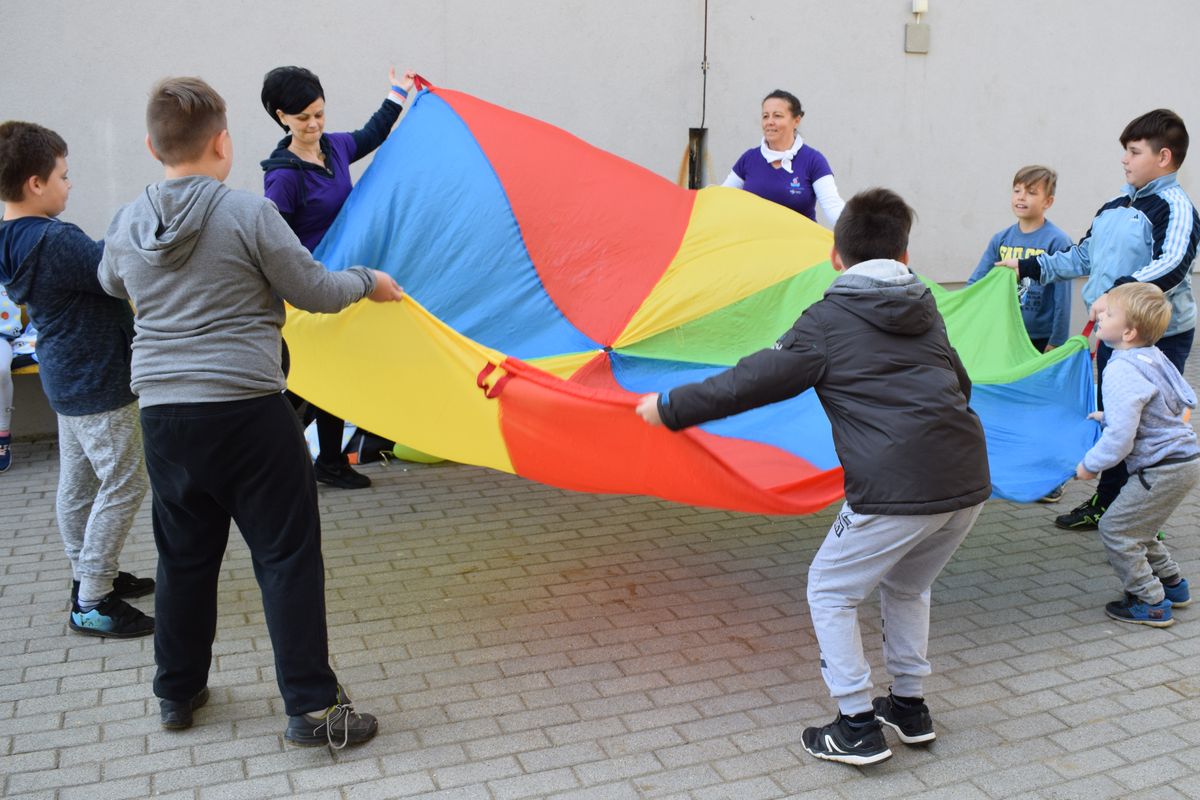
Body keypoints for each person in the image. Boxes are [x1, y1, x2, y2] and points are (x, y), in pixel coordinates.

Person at [97, 77, 405, 746]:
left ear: (151, 146)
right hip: (247, 412)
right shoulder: (248, 214)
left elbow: (110, 279)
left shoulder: (126, 222)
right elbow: (315, 290)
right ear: (223, 143)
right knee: (286, 557)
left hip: (164, 418)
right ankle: (314, 709)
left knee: (183, 558)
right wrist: (368, 282)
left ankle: (176, 691)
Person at [635, 188, 990, 765]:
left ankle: (856, 725)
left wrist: (671, 407)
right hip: (966, 479)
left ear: (835, 256)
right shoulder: (925, 309)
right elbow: (961, 385)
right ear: (905, 256)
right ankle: (908, 706)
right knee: (906, 586)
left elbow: (753, 380)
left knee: (830, 589)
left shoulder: (828, 320)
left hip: (894, 488)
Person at [997, 109, 1199, 532]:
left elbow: (1173, 264)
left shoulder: (1176, 207)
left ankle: (1143, 517)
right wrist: (1028, 268)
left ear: (1163, 157)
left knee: (1148, 428)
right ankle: (1108, 504)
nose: (1125, 159)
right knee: (1115, 417)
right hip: (1114, 336)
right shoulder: (1115, 205)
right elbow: (1082, 256)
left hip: (1158, 339)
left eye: (1134, 151)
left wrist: (1118, 294)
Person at [0, 121, 154, 636]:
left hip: (67, 377)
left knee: (80, 484)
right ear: (35, 183)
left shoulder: (10, 236)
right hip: (99, 380)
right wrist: (136, 221)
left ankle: (89, 573)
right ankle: (92, 601)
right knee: (126, 483)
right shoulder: (55, 239)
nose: (69, 184)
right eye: (63, 176)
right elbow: (115, 272)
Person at [260, 64, 413, 490]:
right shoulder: (283, 176)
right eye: (303, 117)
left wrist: (398, 94)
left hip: (343, 285)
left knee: (334, 374)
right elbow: (272, 240)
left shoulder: (335, 149)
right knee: (305, 383)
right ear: (281, 117)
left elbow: (372, 133)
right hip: (308, 293)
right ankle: (269, 465)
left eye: (319, 114)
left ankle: (329, 461)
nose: (314, 124)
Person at [1074, 283, 1198, 626]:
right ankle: (1173, 585)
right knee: (1141, 528)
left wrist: (1090, 466)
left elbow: (1121, 439)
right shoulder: (1152, 355)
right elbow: (1170, 401)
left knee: (1116, 529)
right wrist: (1109, 415)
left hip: (1161, 469)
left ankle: (1149, 600)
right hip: (1183, 461)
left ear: (1128, 332)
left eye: (1109, 313)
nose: (1100, 315)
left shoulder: (1120, 368)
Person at [969, 165, 1073, 503]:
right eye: (1017, 190)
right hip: (1004, 338)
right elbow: (977, 282)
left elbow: (1063, 296)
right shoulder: (1001, 240)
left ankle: (1051, 477)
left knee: (1039, 406)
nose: (1021, 197)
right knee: (1007, 403)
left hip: (1039, 339)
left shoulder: (1056, 241)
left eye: (1031, 192)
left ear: (1048, 201)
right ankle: (1012, 467)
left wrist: (1056, 341)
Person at [721, 89, 845, 224]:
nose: (769, 122)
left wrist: (856, 231)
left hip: (799, 238)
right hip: (754, 237)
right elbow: (722, 199)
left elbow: (833, 207)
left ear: (796, 121)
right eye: (765, 116)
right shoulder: (749, 159)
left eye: (777, 116)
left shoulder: (813, 160)